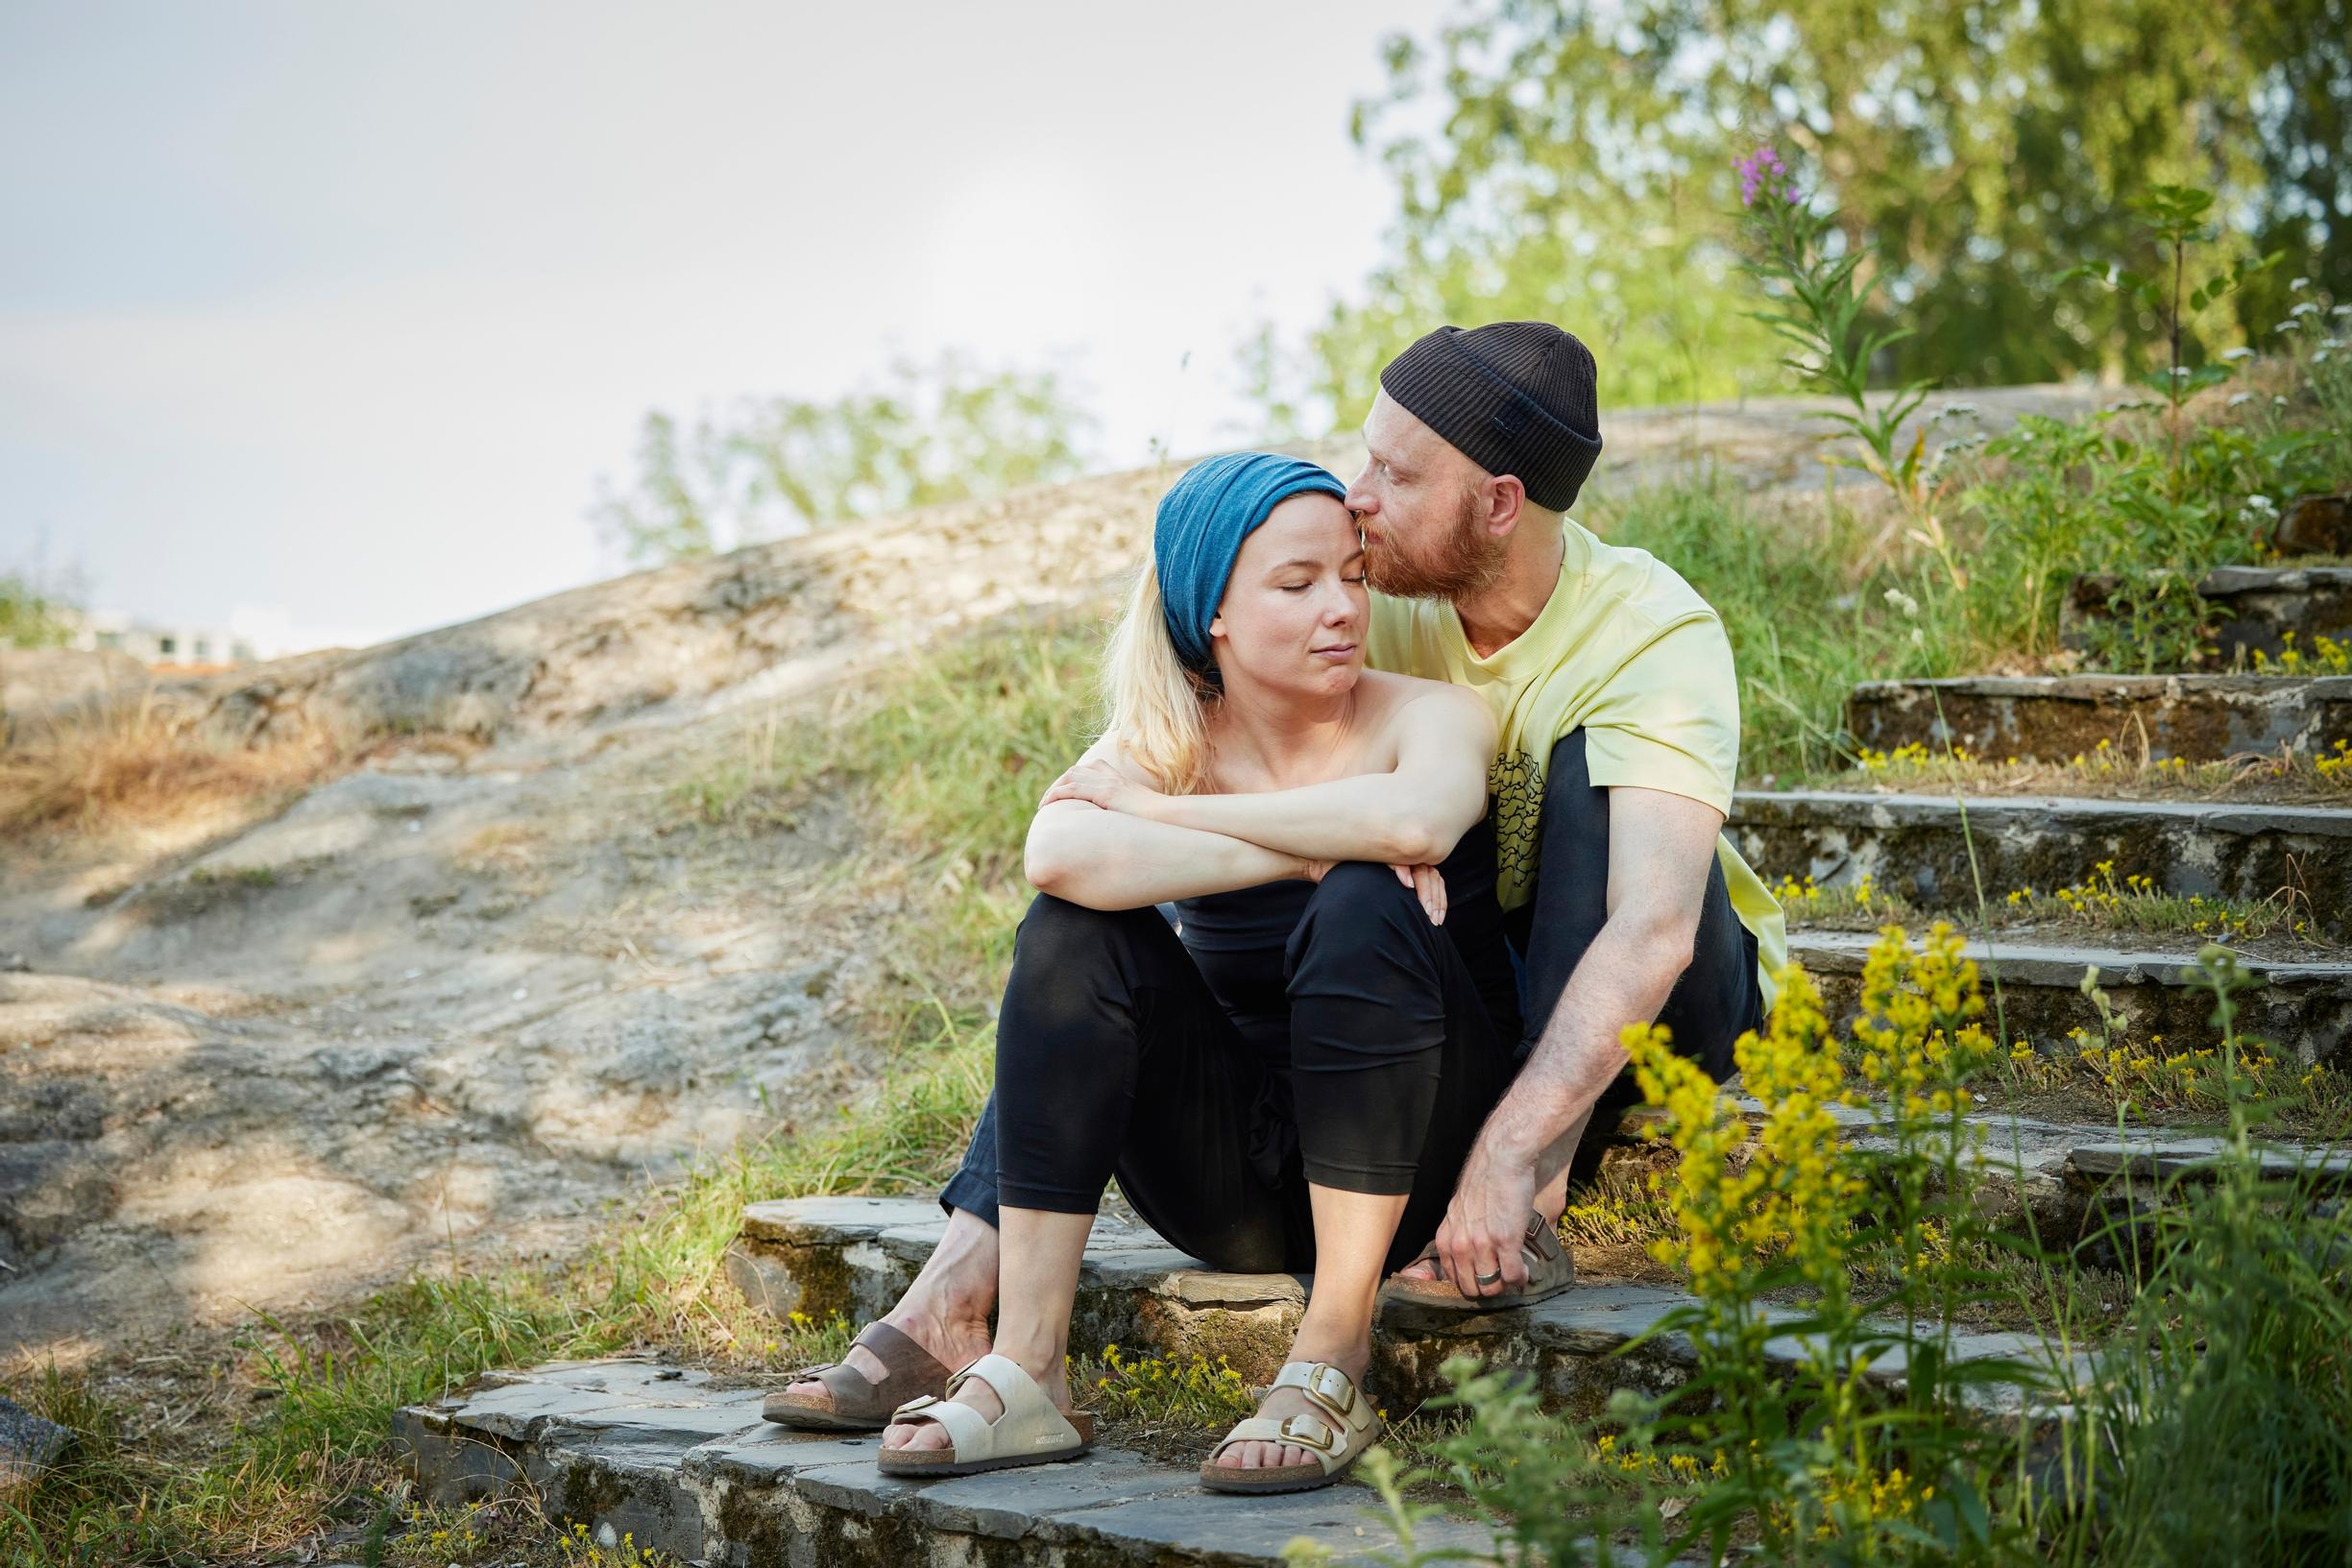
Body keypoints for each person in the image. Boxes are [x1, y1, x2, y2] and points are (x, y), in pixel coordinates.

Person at [768, 320, 1787, 1449]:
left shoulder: (1648, 631)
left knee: (1551, 792)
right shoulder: (1369, 584)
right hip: (1400, 1016)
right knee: (1090, 934)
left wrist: (1509, 1159)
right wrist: (1292, 837)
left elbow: (1648, 932)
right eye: (1362, 466)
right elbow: (1077, 832)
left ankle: (1519, 1200)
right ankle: (971, 1297)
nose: (1358, 508)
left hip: (1657, 994)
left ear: (1497, 504)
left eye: (1395, 476)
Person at [769, 451, 1527, 1492]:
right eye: (1296, 584)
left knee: (1361, 899)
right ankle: (1029, 1363)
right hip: (1237, 1179)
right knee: (1069, 935)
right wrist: (1307, 843)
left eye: (1352, 574)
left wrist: (1172, 818)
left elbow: (1411, 818)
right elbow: (1059, 854)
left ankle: (1333, 1353)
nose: (1343, 608)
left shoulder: (1427, 714)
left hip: (1420, 1155)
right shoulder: (1168, 733)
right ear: (1209, 611)